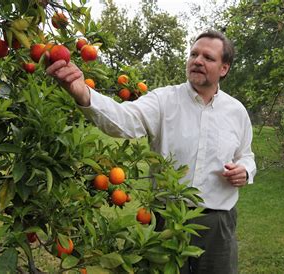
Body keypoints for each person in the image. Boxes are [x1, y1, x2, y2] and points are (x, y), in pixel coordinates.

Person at [46, 30, 256, 274]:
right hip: (165, 218)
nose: (197, 60)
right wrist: (83, 93)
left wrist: (245, 171)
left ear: (224, 69)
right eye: (193, 54)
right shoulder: (164, 100)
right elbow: (123, 119)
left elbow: (247, 155)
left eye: (208, 57)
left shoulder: (236, 111)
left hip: (217, 224)